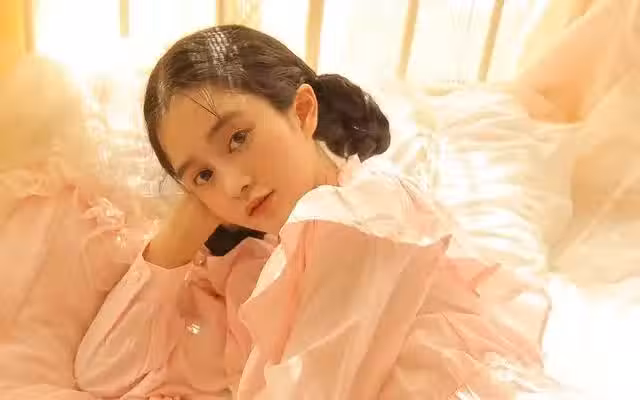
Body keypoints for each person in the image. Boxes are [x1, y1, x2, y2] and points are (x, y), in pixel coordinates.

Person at [78, 25, 551, 399]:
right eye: (203, 175)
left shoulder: (365, 215)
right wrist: (180, 234)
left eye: (238, 138)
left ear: (303, 110)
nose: (233, 183)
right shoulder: (244, 269)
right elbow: (102, 372)